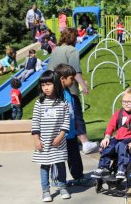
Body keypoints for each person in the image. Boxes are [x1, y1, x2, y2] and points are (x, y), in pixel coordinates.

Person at [47, 28, 98, 154]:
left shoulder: (55, 50)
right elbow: (75, 71)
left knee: (63, 116)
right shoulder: (72, 50)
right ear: (72, 38)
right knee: (76, 114)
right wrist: (83, 85)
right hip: (70, 89)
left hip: (56, 89)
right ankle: (85, 142)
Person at [91, 87, 131, 179]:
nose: (126, 104)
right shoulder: (119, 113)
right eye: (124, 101)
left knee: (122, 145)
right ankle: (103, 168)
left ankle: (121, 168)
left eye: (129, 102)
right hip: (118, 138)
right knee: (107, 145)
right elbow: (111, 125)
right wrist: (107, 137)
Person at [31, 70, 70, 202]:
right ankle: (46, 191)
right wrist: (36, 139)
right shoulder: (39, 103)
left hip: (58, 142)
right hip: (43, 141)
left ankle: (62, 186)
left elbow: (66, 121)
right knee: (45, 165)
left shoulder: (62, 103)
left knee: (60, 164)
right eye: (43, 85)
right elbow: (35, 122)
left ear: (55, 84)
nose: (46, 88)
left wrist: (60, 136)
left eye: (49, 84)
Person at [54, 63, 94, 186]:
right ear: (62, 79)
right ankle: (57, 179)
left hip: (70, 133)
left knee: (75, 157)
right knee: (58, 158)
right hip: (59, 135)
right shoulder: (55, 95)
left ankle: (78, 176)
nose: (73, 81)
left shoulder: (68, 93)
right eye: (71, 78)